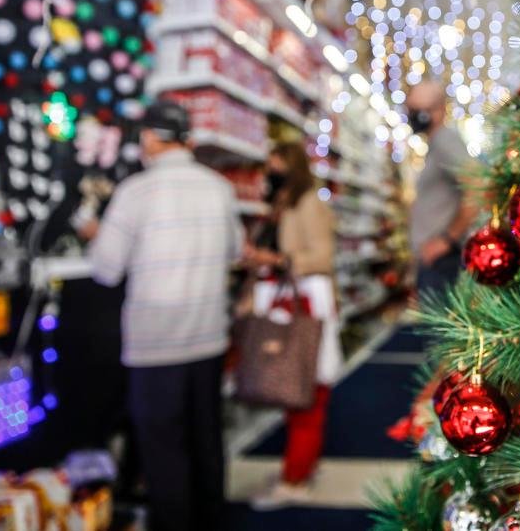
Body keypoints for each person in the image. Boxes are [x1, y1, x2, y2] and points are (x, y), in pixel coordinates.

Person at [82, 101, 243, 531]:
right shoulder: (219, 188)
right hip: (208, 337)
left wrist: (97, 234)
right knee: (206, 440)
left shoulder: (136, 191)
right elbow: (234, 251)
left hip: (155, 345)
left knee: (162, 450)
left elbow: (105, 268)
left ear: (150, 138)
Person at [245, 141, 341, 508]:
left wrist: (277, 258)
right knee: (295, 389)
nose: (269, 171)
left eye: (275, 164)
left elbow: (321, 255)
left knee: (306, 392)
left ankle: (296, 477)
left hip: (305, 306)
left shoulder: (308, 203)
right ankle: (301, 466)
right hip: (289, 303)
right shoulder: (285, 202)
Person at [406, 81, 475, 295]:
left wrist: (445, 240)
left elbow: (478, 187)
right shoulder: (436, 144)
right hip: (437, 262)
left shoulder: (446, 141)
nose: (413, 116)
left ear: (437, 110)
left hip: (444, 262)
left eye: (418, 110)